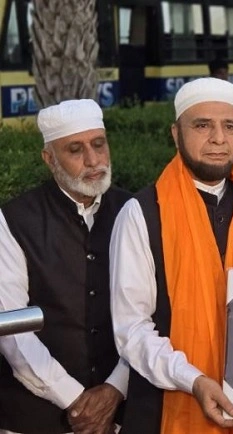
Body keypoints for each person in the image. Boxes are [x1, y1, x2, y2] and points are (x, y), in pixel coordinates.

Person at [109, 78, 233, 434]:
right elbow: (132, 330)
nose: (218, 138)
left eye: (230, 126)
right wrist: (193, 380)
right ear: (176, 134)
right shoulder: (143, 212)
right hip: (169, 406)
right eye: (202, 126)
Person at [0, 99, 130, 433]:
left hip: (122, 413)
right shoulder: (13, 220)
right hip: (34, 418)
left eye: (98, 144)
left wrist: (115, 389)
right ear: (49, 158)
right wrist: (76, 400)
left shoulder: (132, 210)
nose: (93, 160)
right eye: (75, 150)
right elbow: (13, 331)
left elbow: (151, 316)